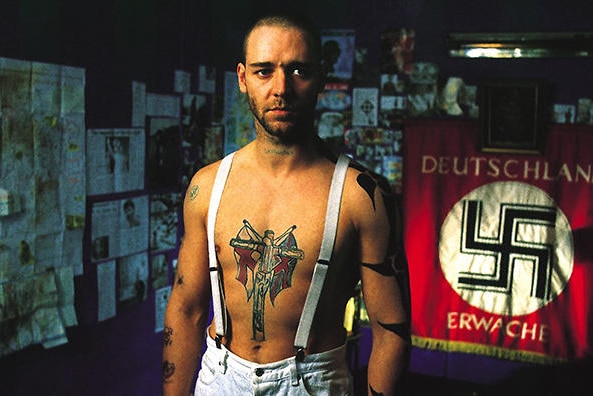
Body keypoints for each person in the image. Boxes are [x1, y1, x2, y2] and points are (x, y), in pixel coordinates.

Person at [162, 12, 410, 396]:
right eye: (264, 71)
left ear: (321, 79)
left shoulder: (362, 195)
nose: (281, 88)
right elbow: (186, 309)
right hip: (220, 378)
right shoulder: (207, 186)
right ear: (243, 78)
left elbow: (391, 331)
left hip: (311, 381)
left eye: (297, 71)